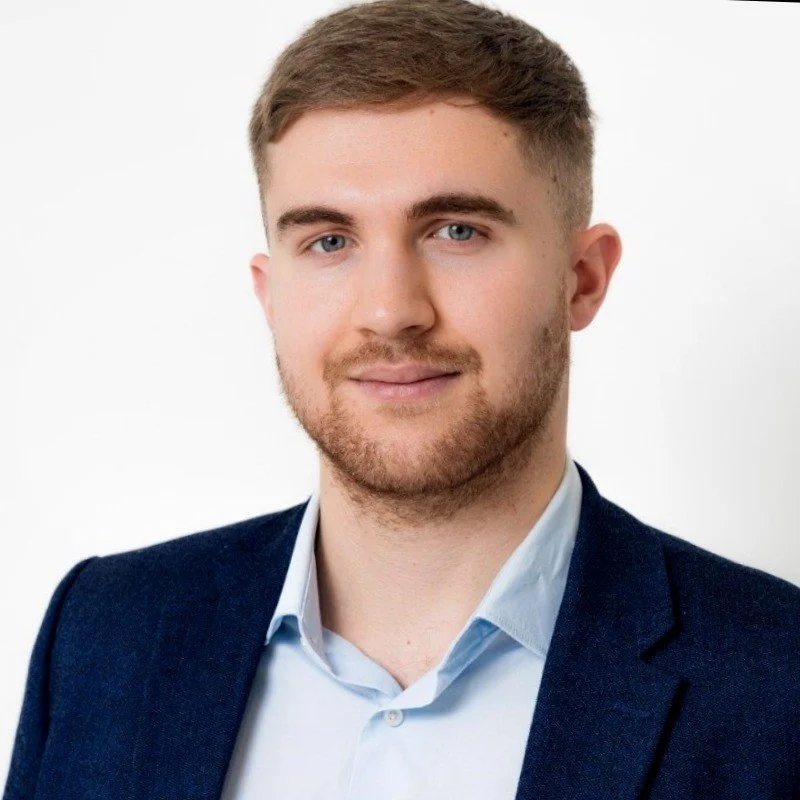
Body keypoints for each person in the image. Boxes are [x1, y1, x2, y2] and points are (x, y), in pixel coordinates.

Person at [4, 0, 800, 797]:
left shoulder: (777, 678)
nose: (389, 311)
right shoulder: (104, 633)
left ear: (582, 279)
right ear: (270, 292)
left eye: (456, 231)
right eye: (329, 241)